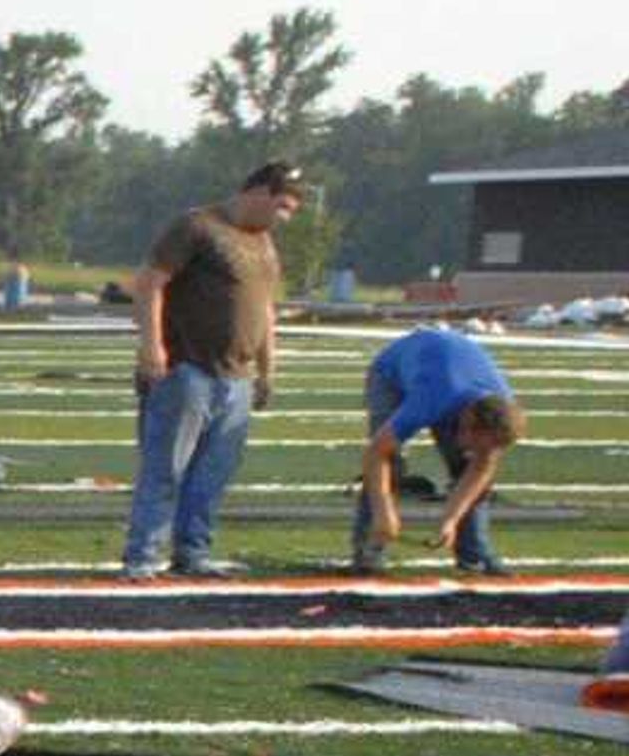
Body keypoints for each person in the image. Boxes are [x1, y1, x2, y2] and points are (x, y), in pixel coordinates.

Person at [122, 160, 306, 581]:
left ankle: (193, 551)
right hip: (188, 368)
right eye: (282, 206)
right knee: (165, 468)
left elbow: (264, 310)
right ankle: (143, 556)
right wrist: (153, 347)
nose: (284, 218)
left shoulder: (263, 244)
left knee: (212, 475)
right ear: (258, 192)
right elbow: (151, 283)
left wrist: (267, 369)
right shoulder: (197, 226)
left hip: (236, 377)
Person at [351, 323, 524, 575]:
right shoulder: (430, 399)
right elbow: (376, 453)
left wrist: (450, 520)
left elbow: (482, 468)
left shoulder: (499, 409)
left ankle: (474, 553)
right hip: (391, 373)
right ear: (466, 424)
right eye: (476, 444)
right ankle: (370, 549)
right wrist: (384, 511)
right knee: (393, 465)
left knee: (464, 465)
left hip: (444, 369)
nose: (477, 452)